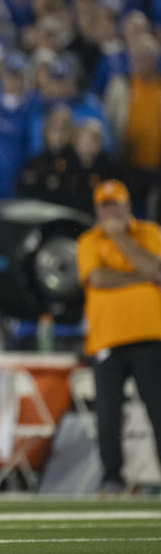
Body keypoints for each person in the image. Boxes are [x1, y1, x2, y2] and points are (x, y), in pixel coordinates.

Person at [75, 179, 161, 493]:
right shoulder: (87, 240)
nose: (111, 212)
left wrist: (121, 241)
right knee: (108, 415)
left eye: (115, 204)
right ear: (98, 209)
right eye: (105, 206)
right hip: (106, 339)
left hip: (151, 335)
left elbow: (157, 269)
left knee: (159, 411)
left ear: (126, 205)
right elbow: (96, 278)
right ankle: (112, 478)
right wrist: (142, 274)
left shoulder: (150, 233)